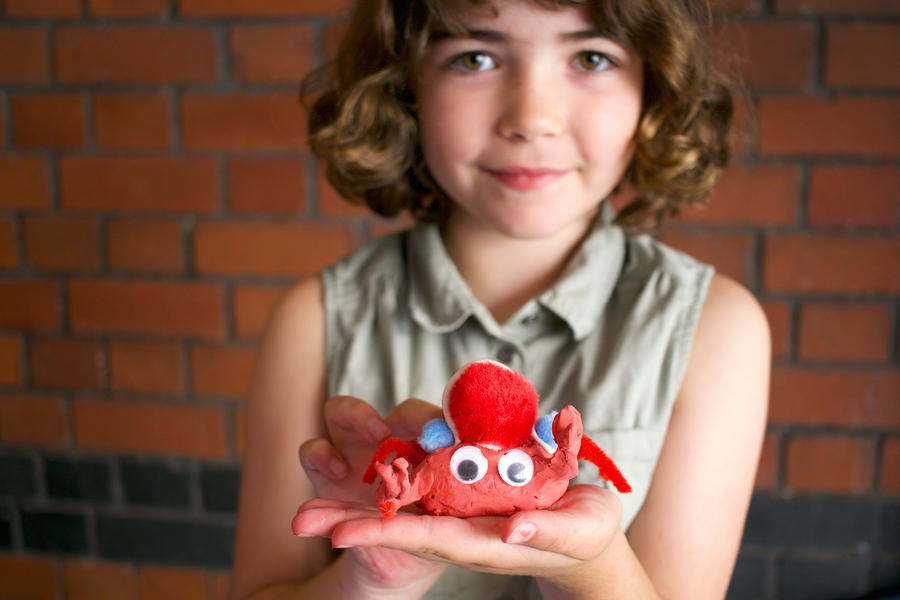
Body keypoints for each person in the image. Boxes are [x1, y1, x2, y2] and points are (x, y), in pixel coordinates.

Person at [229, 0, 770, 598]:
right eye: (475, 57)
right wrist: (374, 580)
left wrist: (591, 567)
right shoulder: (313, 319)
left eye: (592, 57)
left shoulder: (719, 329)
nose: (532, 118)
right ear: (405, 86)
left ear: (655, 89)